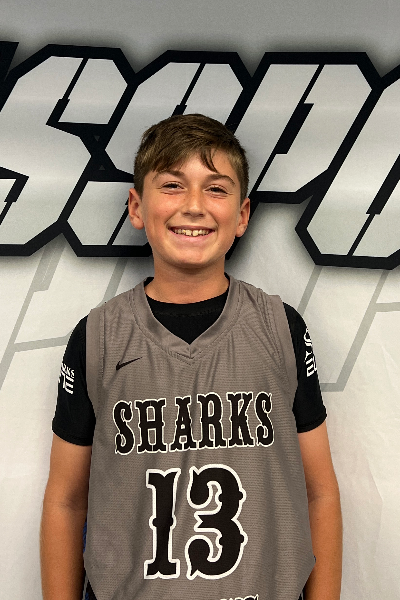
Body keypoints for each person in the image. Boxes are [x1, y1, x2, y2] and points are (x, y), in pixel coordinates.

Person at [40, 114, 342, 600]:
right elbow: (66, 500)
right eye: (172, 185)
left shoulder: (280, 328)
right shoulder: (98, 336)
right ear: (137, 207)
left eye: (216, 189)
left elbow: (320, 492)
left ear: (242, 215)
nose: (194, 206)